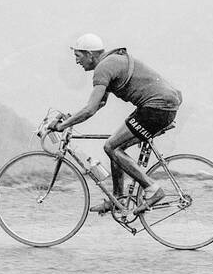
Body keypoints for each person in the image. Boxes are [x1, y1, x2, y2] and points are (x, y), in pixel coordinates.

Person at [48, 33, 183, 215]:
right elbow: (99, 104)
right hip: (162, 104)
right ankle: (117, 200)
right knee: (115, 144)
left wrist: (62, 126)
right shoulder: (110, 62)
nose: (76, 61)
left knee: (112, 146)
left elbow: (90, 109)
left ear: (90, 54)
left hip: (157, 108)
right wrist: (71, 118)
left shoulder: (103, 68)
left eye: (78, 56)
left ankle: (153, 189)